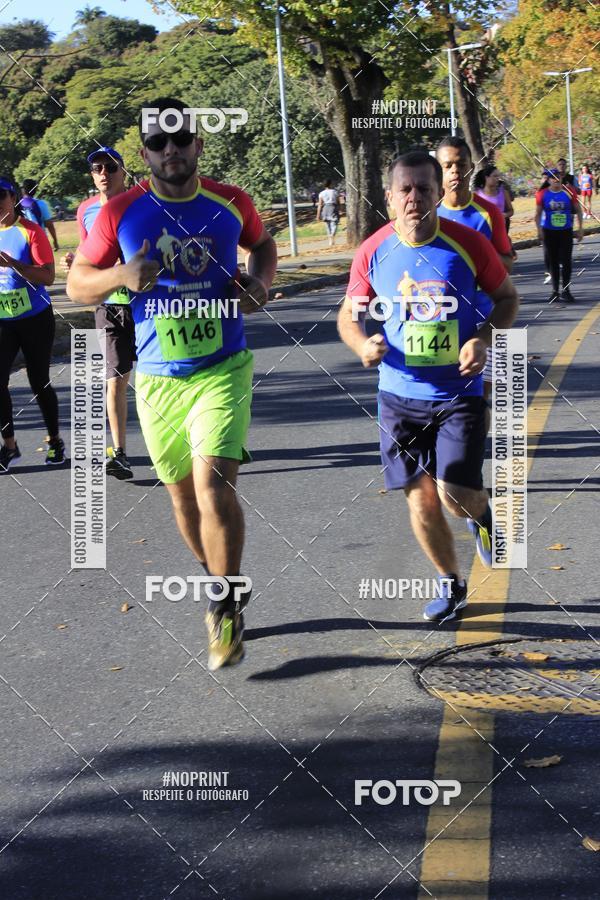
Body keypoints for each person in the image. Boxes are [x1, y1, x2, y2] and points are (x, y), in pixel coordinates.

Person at [67, 97, 277, 669]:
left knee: (213, 486)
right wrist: (121, 273)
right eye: (158, 143)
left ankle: (224, 604)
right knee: (182, 497)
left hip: (223, 368)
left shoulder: (230, 202)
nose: (171, 150)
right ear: (144, 154)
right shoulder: (120, 212)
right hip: (159, 378)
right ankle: (218, 576)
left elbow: (262, 245)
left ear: (197, 144)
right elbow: (77, 284)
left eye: (180, 138)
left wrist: (259, 282)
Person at [337, 149, 519, 623]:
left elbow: (507, 298)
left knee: (454, 495)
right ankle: (450, 583)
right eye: (405, 189)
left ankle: (481, 515)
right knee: (419, 497)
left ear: (438, 193)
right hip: (399, 397)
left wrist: (481, 339)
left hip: (459, 393)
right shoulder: (373, 250)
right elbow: (349, 315)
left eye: (423, 188)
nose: (414, 197)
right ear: (389, 197)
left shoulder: (468, 245)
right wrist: (361, 343)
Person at [61, 147, 135, 480]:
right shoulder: (86, 210)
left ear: (123, 170)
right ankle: (119, 453)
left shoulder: (142, 201)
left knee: (162, 378)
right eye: (96, 168)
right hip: (108, 304)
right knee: (114, 379)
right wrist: (75, 262)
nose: (103, 173)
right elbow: (87, 253)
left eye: (110, 166)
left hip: (147, 304)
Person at [436, 135, 513, 435]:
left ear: (470, 168)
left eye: (461, 164)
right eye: (447, 166)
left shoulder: (488, 213)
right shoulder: (429, 213)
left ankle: (473, 456)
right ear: (439, 170)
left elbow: (507, 262)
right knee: (443, 397)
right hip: (440, 320)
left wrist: (477, 255)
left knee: (480, 397)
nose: (455, 171)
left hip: (484, 317)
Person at [0, 177, 66, 471]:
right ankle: (9, 446)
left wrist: (13, 264)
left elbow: (48, 277)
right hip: (3, 320)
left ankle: (55, 441)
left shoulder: (31, 231)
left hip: (35, 318)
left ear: (13, 198)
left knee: (39, 381)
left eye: (1, 195)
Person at [535, 168, 583, 304]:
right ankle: (555, 291)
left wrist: (580, 229)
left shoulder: (569, 191)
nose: (556, 179)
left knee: (566, 261)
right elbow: (538, 214)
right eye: (552, 177)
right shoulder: (542, 194)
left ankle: (566, 291)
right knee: (553, 261)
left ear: (561, 178)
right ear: (548, 180)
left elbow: (578, 210)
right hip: (549, 232)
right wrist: (539, 230)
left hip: (565, 231)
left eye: (558, 177)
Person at [19, 179, 59, 252]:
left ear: (23, 190)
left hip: (22, 242)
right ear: (35, 190)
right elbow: (49, 225)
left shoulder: (16, 205)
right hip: (39, 241)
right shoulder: (40, 204)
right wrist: (55, 241)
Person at [474, 165, 515, 232]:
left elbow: (511, 211)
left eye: (498, 176)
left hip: (501, 229)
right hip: (484, 229)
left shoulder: (503, 192)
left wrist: (504, 215)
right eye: (495, 176)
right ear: (486, 177)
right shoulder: (476, 194)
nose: (498, 178)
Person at [316, 180, 339, 247]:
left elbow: (320, 204)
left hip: (325, 208)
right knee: (334, 224)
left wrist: (318, 215)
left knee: (327, 225)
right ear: (330, 184)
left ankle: (330, 240)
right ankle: (332, 235)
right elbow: (338, 202)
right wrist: (340, 209)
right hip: (333, 207)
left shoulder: (321, 193)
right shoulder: (335, 192)